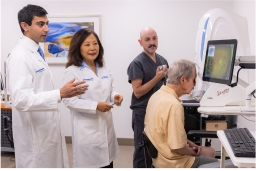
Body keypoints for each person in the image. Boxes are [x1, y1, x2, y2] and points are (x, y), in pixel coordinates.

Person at [6, 4, 88, 168]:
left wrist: (63, 93)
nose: (47, 29)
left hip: (45, 131)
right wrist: (59, 94)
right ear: (25, 26)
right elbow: (20, 100)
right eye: (41, 24)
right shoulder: (19, 57)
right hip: (34, 139)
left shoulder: (36, 52)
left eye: (47, 23)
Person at [63, 28, 123, 168]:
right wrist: (95, 106)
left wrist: (116, 96)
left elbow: (110, 88)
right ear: (78, 48)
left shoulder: (103, 67)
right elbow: (69, 100)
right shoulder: (73, 71)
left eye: (95, 43)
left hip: (106, 128)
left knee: (108, 164)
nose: (92, 48)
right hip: (87, 132)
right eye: (87, 44)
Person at [144, 59, 218, 168]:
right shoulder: (174, 106)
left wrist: (188, 143)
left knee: (210, 151)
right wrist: (193, 152)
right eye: (194, 80)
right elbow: (177, 148)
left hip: (160, 158)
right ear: (183, 80)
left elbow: (165, 133)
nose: (194, 84)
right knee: (219, 164)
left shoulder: (156, 95)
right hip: (176, 163)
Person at [127, 27, 169, 168]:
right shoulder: (137, 63)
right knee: (143, 151)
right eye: (147, 39)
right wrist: (157, 77)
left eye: (154, 38)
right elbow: (137, 92)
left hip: (158, 112)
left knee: (156, 150)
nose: (152, 42)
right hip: (143, 114)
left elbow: (164, 87)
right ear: (140, 42)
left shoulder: (162, 60)